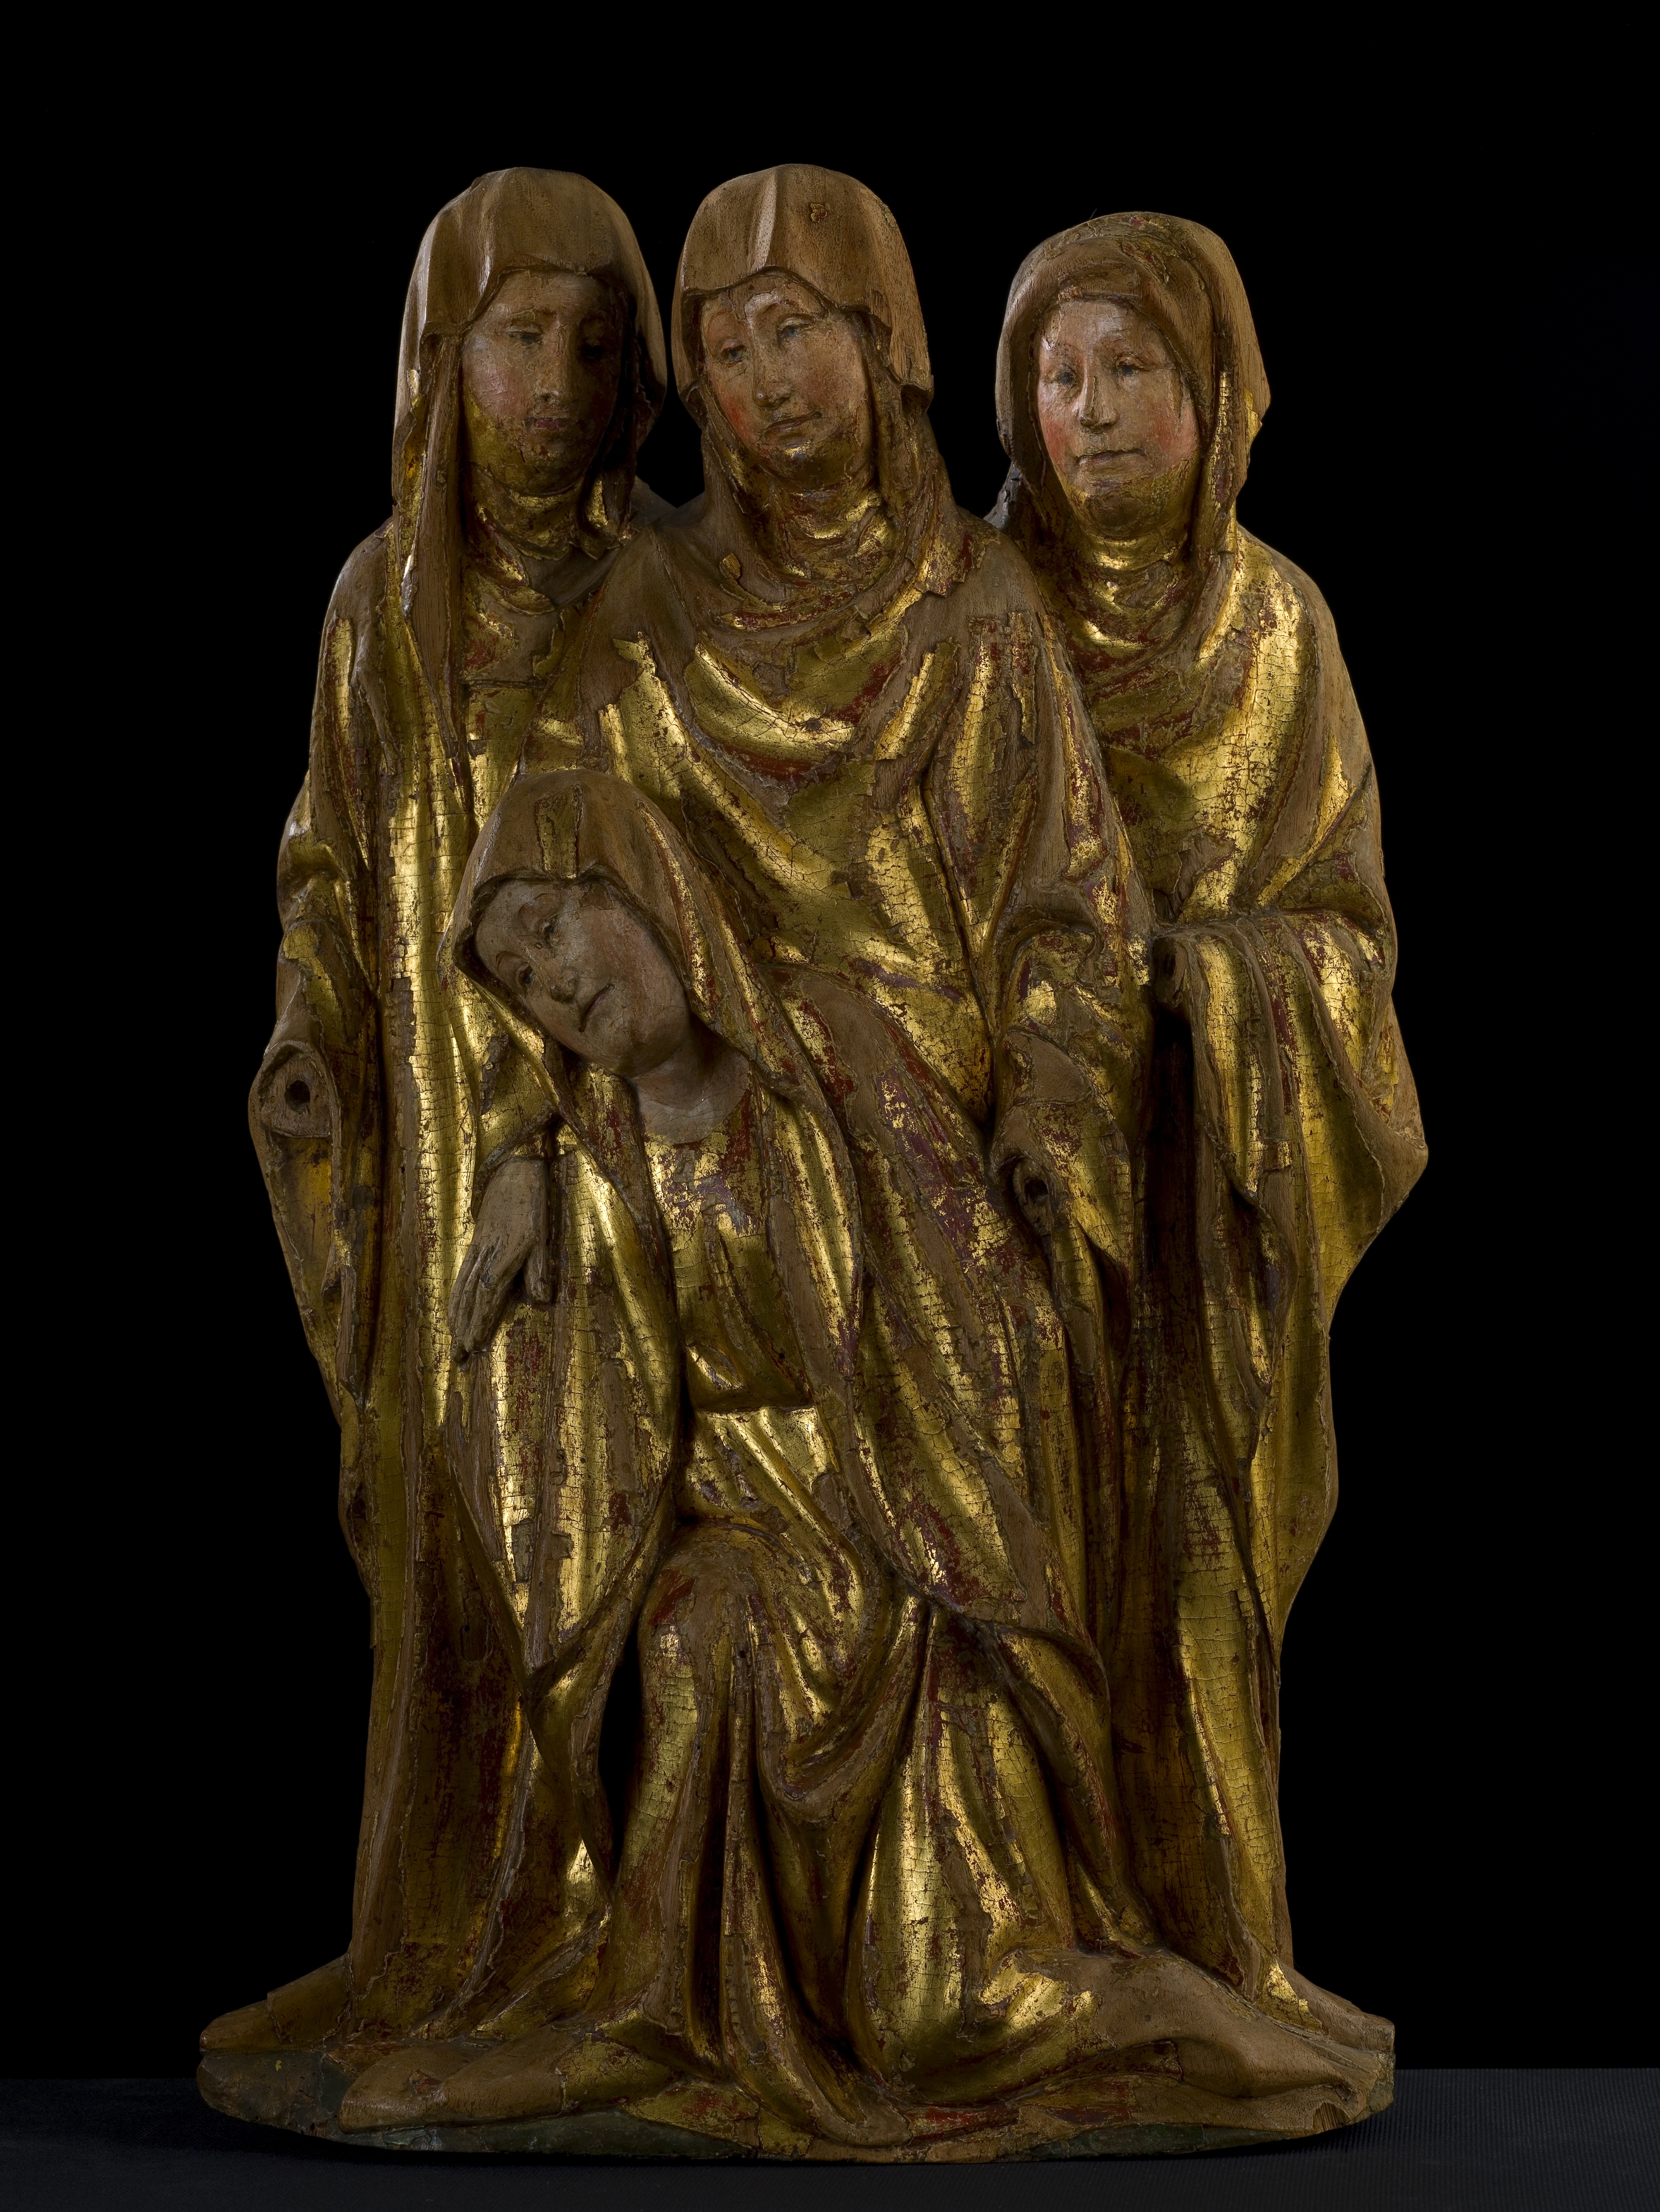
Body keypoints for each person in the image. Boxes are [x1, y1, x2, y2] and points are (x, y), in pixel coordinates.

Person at [339, 769, 1386, 2146]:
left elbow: (975, 1326)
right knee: (696, 1625)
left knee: (946, 2012)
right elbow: (584, 1434)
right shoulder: (590, 1154)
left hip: (918, 1567)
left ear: (641, 888)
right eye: (520, 979)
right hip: (739, 1555)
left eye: (550, 928)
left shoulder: (831, 1054)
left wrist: (906, 1513)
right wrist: (529, 1179)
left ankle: (1195, 2021)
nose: (553, 985)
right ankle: (646, 2016)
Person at [207, 169, 668, 2057]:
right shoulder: (381, 601)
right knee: (442, 1534)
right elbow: (328, 856)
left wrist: (551, 1138)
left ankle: (614, 1945)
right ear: (438, 360)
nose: (554, 384)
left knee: (598, 1528)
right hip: (422, 1142)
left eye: (592, 345)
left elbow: (689, 897)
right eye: (515, 337)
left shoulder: (660, 593)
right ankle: (436, 1940)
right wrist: (312, 1033)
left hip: (612, 1150)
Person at [991, 214, 1428, 2048]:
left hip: (1208, 1191)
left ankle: (1215, 1942)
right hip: (1008, 1185)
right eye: (1060, 375)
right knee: (1009, 1568)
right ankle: (1020, 1957)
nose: (1092, 411)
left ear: (1220, 393)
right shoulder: (975, 617)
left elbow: (1347, 934)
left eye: (1133, 371)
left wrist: (1202, 981)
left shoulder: (1276, 629)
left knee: (1193, 1557)